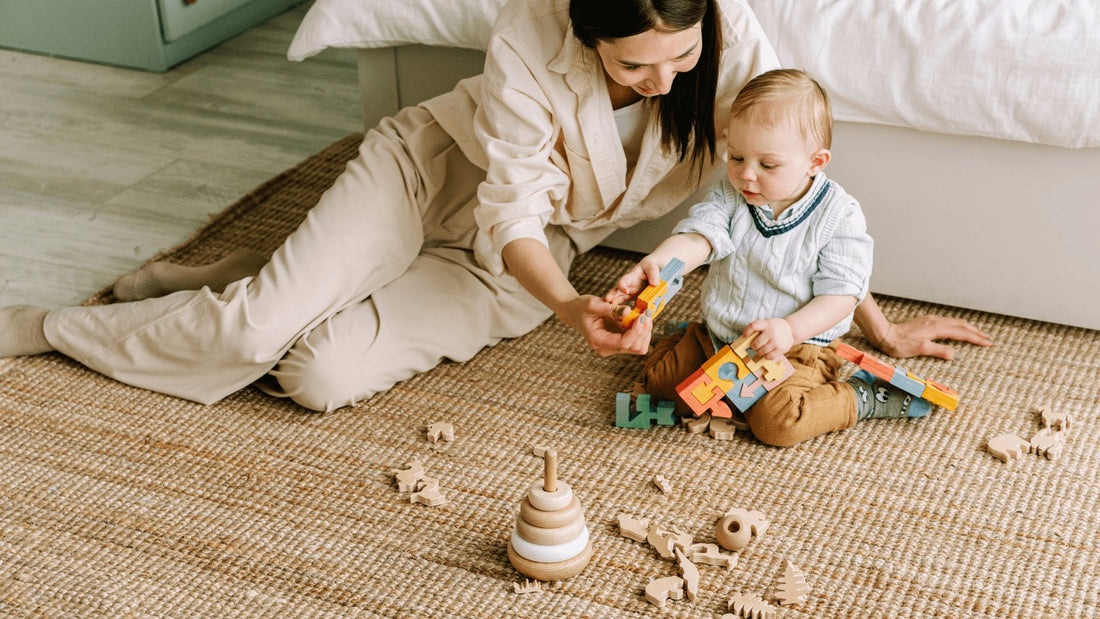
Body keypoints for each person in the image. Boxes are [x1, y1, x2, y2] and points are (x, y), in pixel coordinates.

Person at [0, 0, 989, 413]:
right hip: (435, 179)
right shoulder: (526, 31)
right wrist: (570, 308)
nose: (661, 80)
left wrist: (877, 328)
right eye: (632, 63)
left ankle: (247, 280)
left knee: (313, 372)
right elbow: (508, 206)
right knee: (258, 325)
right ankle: (54, 326)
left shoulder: (739, 55)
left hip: (536, 253)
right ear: (585, 28)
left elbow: (812, 212)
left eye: (679, 56)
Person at [606, 68, 990, 447]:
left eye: (767, 165)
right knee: (660, 383)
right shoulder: (730, 196)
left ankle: (860, 397)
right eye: (736, 157)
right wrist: (657, 262)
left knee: (777, 423)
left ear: (815, 162)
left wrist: (791, 329)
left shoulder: (838, 214)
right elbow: (698, 237)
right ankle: (683, 336)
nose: (746, 176)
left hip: (799, 347)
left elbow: (842, 296)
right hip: (720, 336)